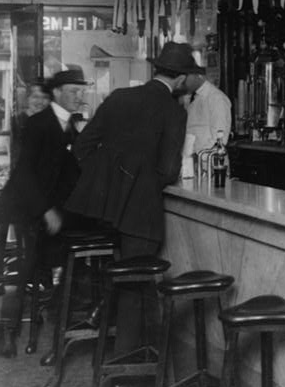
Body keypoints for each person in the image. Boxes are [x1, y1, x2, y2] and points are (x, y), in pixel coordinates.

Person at [64, 42, 191, 364]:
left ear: (155, 69)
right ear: (180, 79)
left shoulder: (120, 97)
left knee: (127, 277)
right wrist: (139, 184)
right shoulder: (173, 110)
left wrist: (108, 182)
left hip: (102, 211)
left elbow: (82, 146)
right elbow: (167, 170)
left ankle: (104, 320)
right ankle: (126, 364)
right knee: (136, 283)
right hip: (139, 213)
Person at [0, 66, 90, 357]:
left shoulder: (72, 126)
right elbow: (24, 175)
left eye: (82, 92)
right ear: (57, 93)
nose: (79, 97)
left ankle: (63, 309)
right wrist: (46, 210)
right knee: (28, 266)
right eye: (73, 91)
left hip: (53, 208)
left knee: (81, 252)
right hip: (28, 207)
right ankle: (7, 330)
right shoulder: (39, 124)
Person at [182, 66, 232, 154]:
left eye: (185, 76)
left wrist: (198, 159)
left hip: (209, 164)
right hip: (195, 161)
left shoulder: (216, 98)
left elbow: (219, 141)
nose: (182, 81)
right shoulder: (195, 98)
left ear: (197, 75)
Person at [9, 78, 50, 168]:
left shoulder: (50, 122)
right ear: (27, 99)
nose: (40, 102)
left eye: (45, 97)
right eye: (35, 97)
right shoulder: (18, 122)